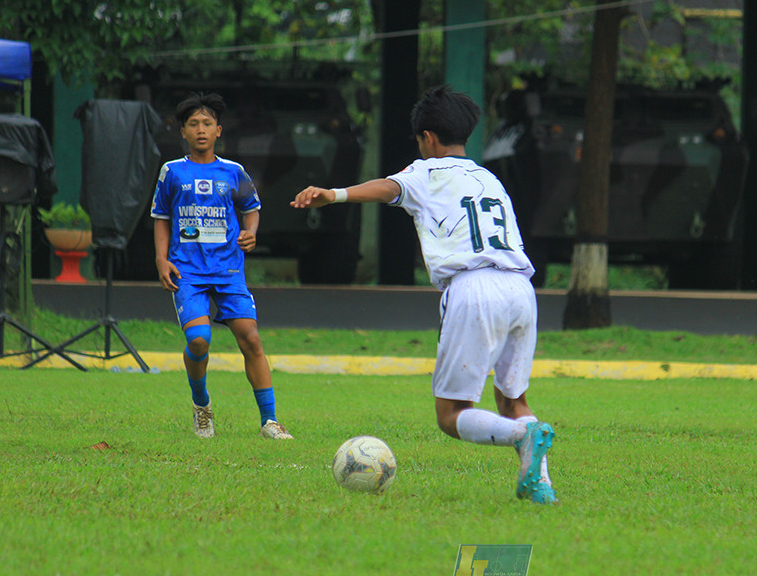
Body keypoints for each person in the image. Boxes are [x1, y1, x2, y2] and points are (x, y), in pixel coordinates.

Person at [292, 85, 555, 503]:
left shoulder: (426, 172)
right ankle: (542, 486)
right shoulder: (489, 179)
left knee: (451, 415)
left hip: (474, 288)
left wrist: (335, 194)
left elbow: (387, 188)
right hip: (521, 289)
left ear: (427, 138)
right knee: (513, 398)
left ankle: (523, 436)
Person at [151, 92, 292, 440]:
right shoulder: (172, 171)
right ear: (183, 132)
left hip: (228, 270)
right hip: (187, 270)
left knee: (251, 339)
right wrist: (161, 259)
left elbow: (251, 208)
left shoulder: (234, 172)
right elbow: (161, 217)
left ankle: (270, 421)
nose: (201, 130)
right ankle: (202, 408)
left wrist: (251, 232)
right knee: (198, 340)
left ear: (219, 131)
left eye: (208, 124)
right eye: (194, 124)